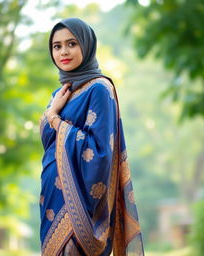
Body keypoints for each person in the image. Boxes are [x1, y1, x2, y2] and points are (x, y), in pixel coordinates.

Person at [39, 17, 144, 256]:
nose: (63, 51)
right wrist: (51, 113)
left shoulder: (99, 88)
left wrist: (54, 118)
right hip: (51, 200)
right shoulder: (60, 93)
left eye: (72, 43)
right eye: (57, 46)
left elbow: (99, 153)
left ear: (86, 45)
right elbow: (48, 142)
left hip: (81, 206)